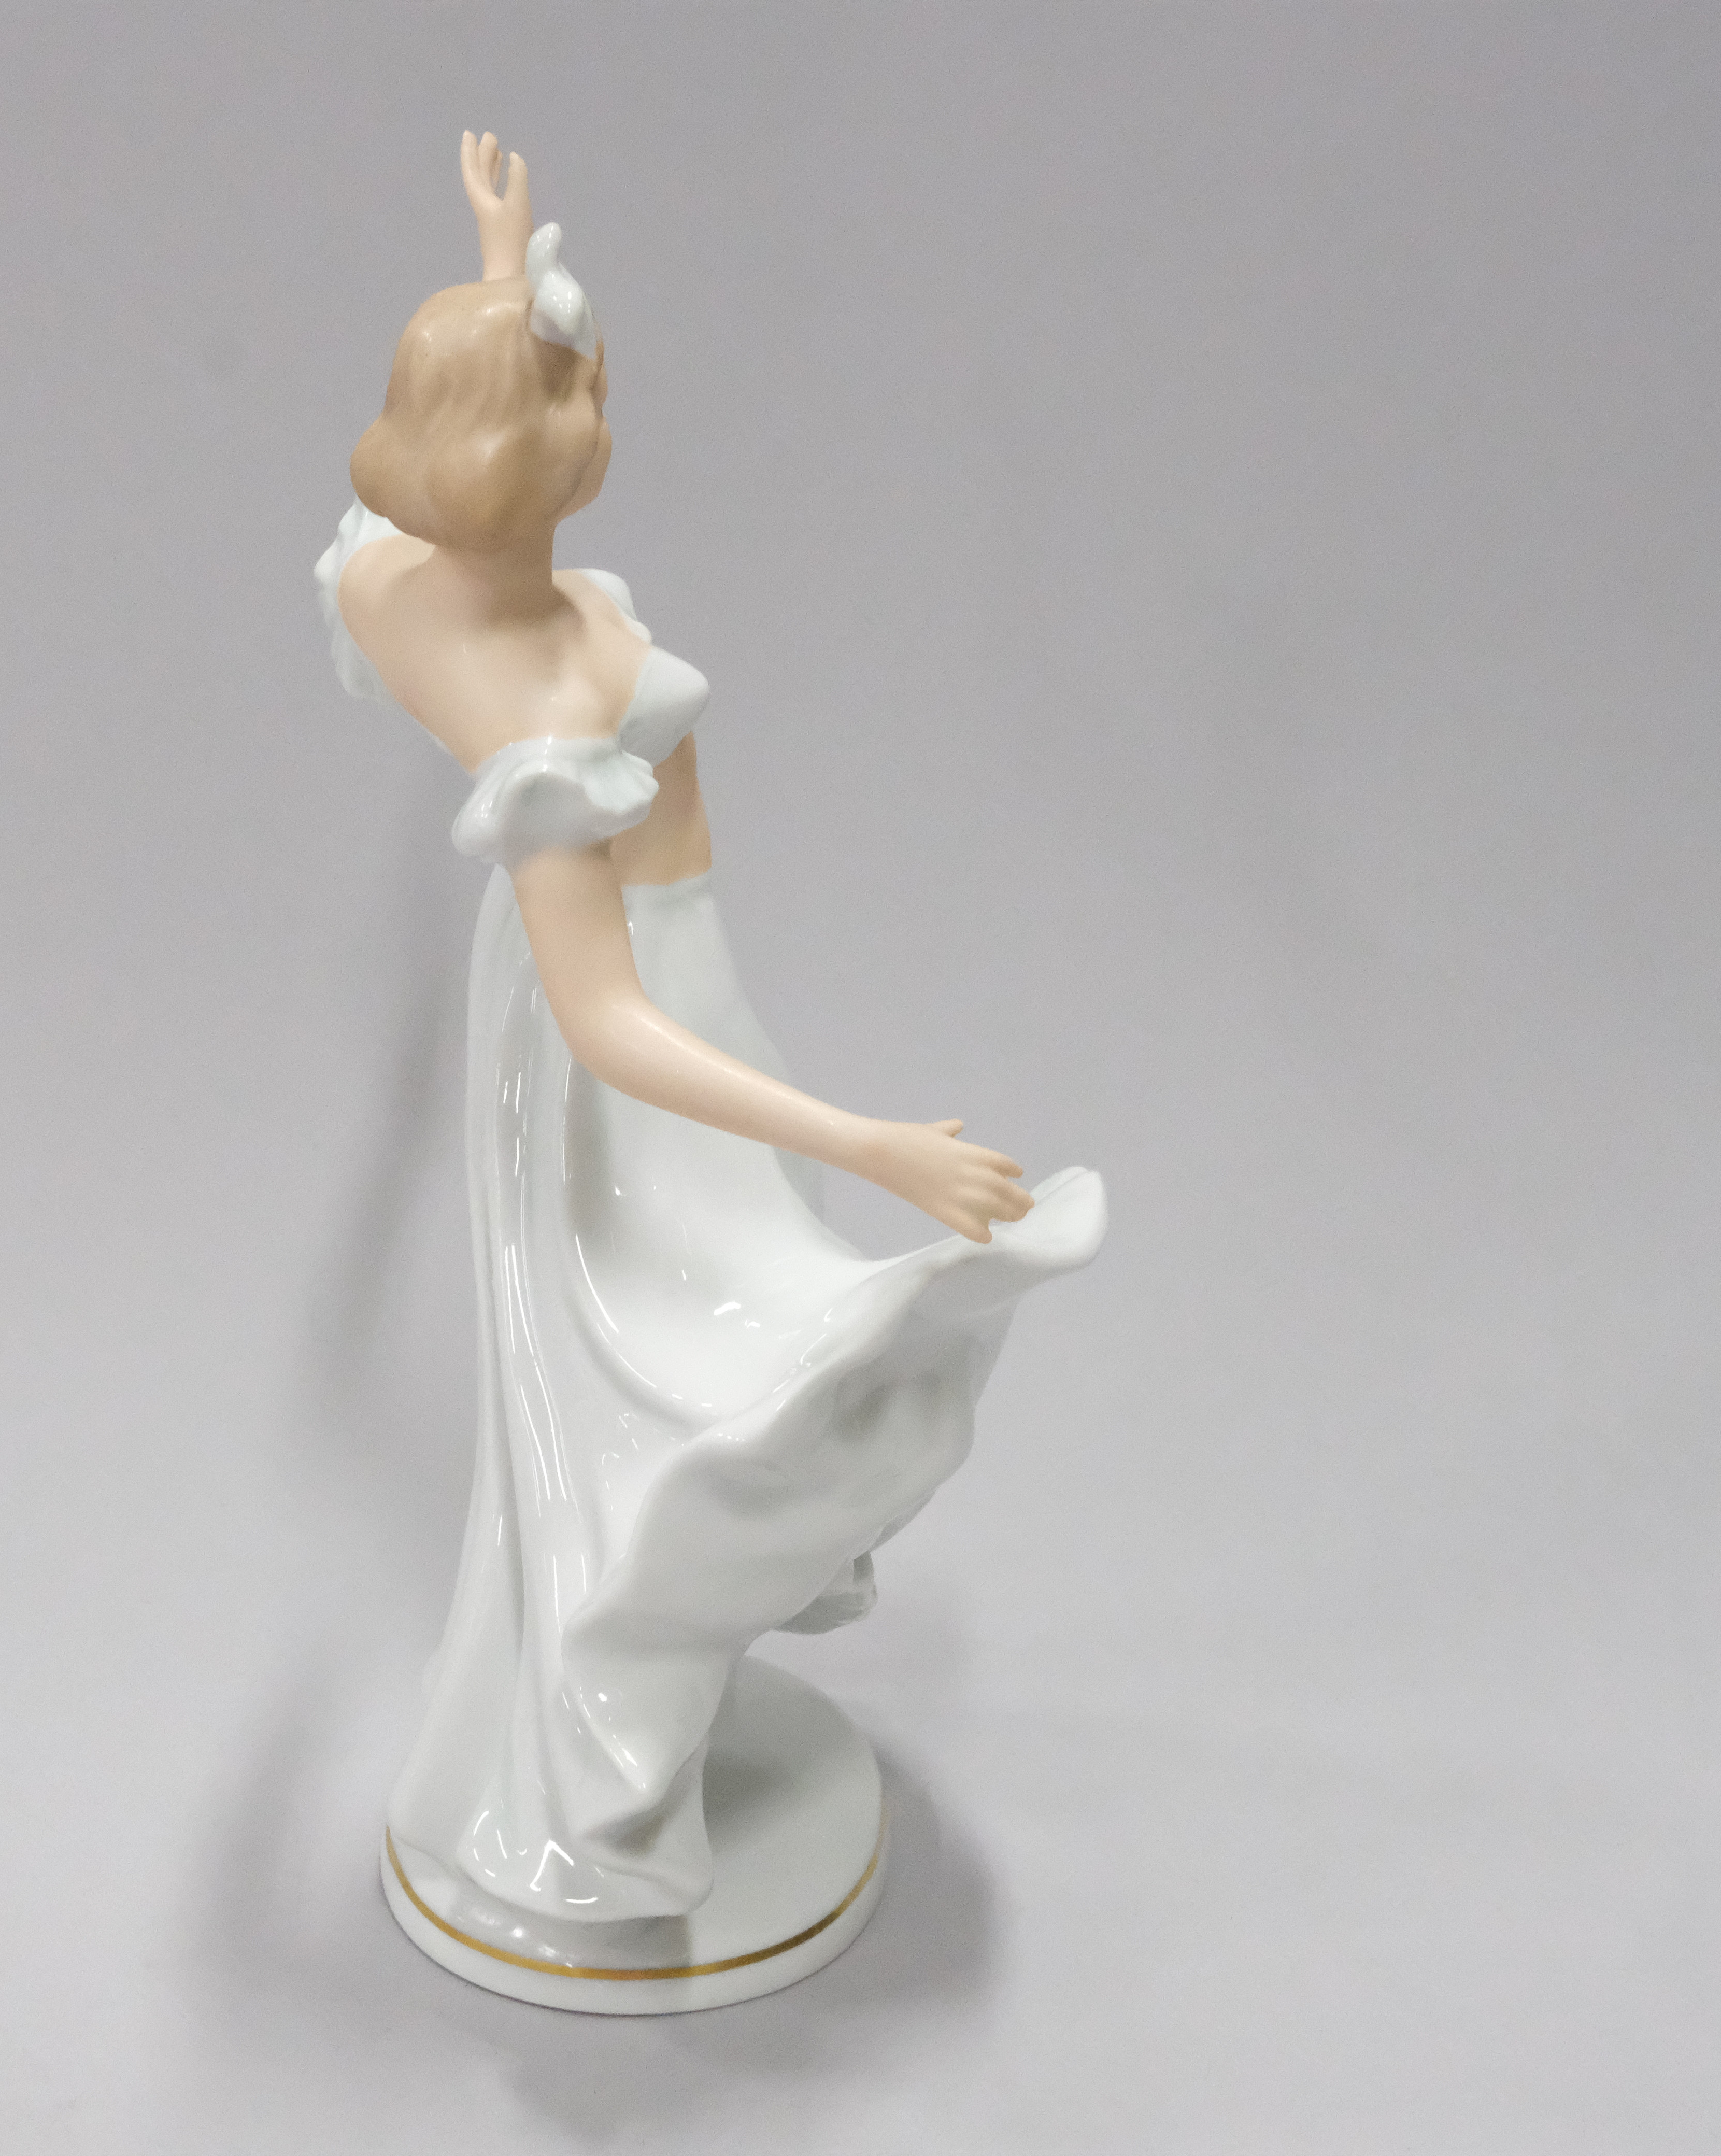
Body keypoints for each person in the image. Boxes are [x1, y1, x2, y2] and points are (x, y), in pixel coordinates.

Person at [316, 133, 1104, 1929]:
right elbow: (608, 1024)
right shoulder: (546, 706)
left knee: (667, 1350)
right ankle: (594, 1770)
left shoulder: (396, 576)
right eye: (577, 393)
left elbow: (429, 472)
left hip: (640, 973)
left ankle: (610, 1699)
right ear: (547, 463)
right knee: (679, 1365)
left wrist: (501, 273)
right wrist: (867, 1145)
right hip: (633, 1028)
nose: (602, 406)